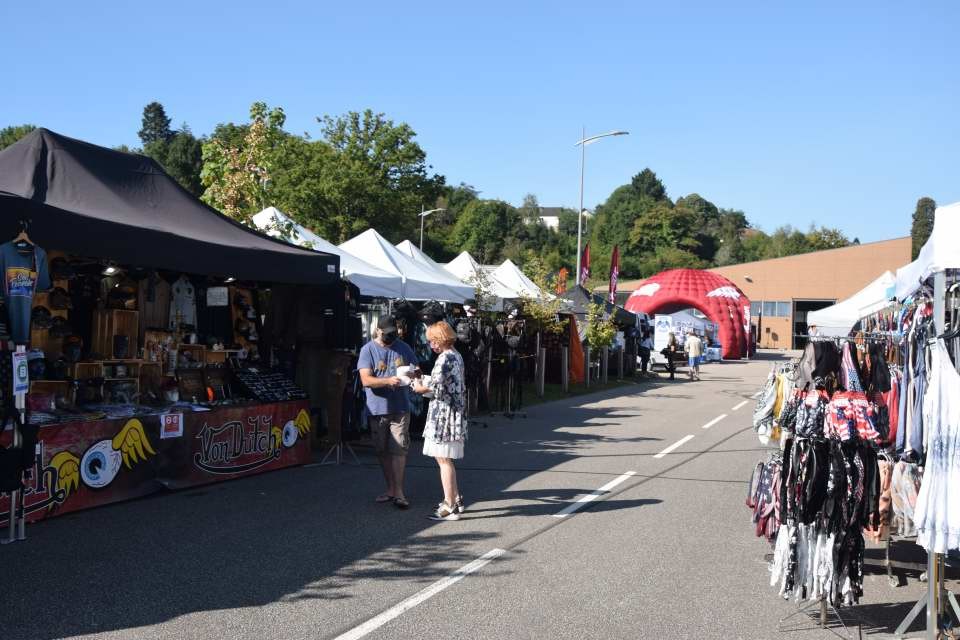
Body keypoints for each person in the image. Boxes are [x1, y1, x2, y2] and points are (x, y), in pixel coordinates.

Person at [357, 316, 419, 509]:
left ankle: (399, 492)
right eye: (388, 334)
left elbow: (417, 368)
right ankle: (391, 488)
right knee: (382, 450)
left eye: (394, 334)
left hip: (400, 407)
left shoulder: (404, 347)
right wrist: (387, 381)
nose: (392, 337)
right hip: (378, 408)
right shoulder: (368, 350)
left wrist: (413, 374)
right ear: (378, 331)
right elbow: (366, 380)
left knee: (399, 448)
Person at [413, 321, 467, 521]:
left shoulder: (445, 359)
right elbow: (445, 384)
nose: (431, 345)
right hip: (451, 412)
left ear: (440, 339)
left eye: (432, 341)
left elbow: (437, 388)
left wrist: (418, 386)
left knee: (443, 459)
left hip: (445, 414)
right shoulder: (456, 355)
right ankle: (456, 499)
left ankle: (449, 505)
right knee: (445, 458)